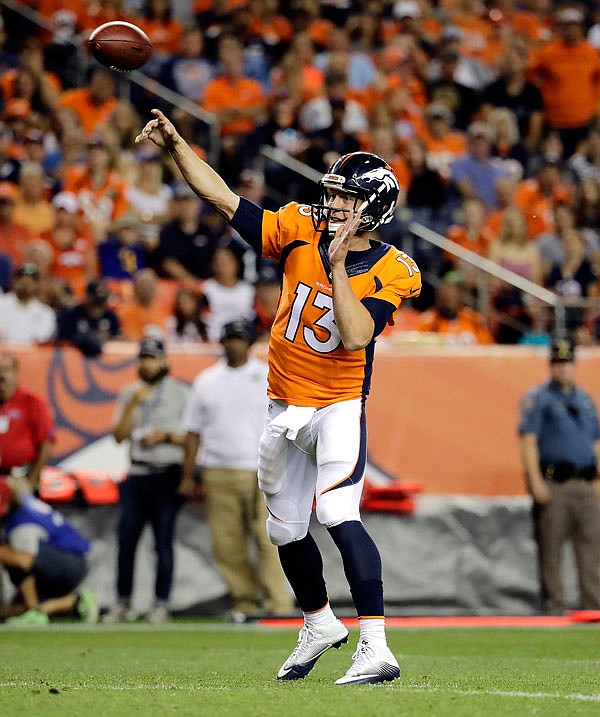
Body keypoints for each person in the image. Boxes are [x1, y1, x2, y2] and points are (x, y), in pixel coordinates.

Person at [136, 108, 422, 684]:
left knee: (338, 511)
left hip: (339, 404)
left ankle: (376, 644)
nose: (332, 205)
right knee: (285, 529)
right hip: (284, 403)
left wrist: (337, 267)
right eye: (333, 194)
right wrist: (176, 146)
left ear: (374, 210)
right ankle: (319, 622)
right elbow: (221, 198)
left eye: (345, 199)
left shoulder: (394, 268)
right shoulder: (295, 228)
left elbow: (358, 335)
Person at [182, 319, 293, 622]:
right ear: (222, 342)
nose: (234, 344)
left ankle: (278, 601)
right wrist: (188, 475)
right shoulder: (206, 380)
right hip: (219, 468)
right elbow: (192, 431)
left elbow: (284, 422)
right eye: (229, 338)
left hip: (262, 468)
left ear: (250, 343)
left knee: (269, 538)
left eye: (240, 339)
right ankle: (245, 600)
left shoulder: (267, 375)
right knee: (227, 542)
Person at [103, 337, 190, 624]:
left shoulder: (180, 393)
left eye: (152, 358)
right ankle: (122, 602)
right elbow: (118, 436)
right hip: (137, 472)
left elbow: (192, 438)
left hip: (166, 472)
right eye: (143, 358)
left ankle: (161, 603)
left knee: (162, 542)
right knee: (126, 541)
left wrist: (165, 436)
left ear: (164, 361)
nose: (147, 363)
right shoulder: (130, 393)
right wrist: (132, 406)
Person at [518, 338, 600, 614]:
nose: (563, 369)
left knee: (592, 550)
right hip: (554, 483)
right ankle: (554, 609)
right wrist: (535, 481)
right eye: (558, 363)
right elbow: (528, 441)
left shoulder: (585, 399)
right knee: (551, 551)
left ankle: (593, 607)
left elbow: (596, 442)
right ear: (550, 365)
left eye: (567, 363)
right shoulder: (539, 399)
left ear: (574, 366)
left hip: (585, 484)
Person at [0, 475, 97, 625]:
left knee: (13, 557)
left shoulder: (21, 525)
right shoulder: (24, 502)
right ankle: (73, 603)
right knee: (10, 613)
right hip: (69, 560)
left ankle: (34, 611)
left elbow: (25, 561)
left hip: (69, 562)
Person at [0, 350, 55, 492]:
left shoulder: (32, 402)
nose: (1, 375)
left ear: (16, 373)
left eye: (5, 370)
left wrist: (32, 479)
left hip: (19, 477)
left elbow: (47, 443)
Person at [0, 262, 57, 345]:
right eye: (21, 278)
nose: (26, 282)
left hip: (32, 356)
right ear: (13, 281)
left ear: (38, 284)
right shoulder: (1, 304)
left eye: (32, 279)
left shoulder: (46, 313)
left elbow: (41, 340)